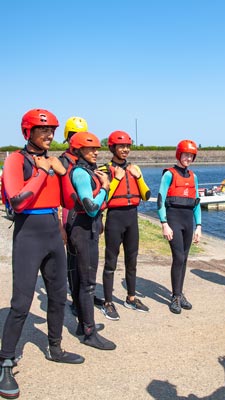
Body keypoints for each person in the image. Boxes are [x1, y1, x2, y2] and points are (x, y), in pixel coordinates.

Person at [0, 109, 84, 400]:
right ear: (28, 132)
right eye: (42, 130)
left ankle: (55, 347)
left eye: (51, 131)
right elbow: (18, 201)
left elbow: (69, 200)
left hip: (51, 232)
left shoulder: (54, 161)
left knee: (59, 296)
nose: (49, 135)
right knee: (21, 303)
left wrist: (73, 175)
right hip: (28, 234)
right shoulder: (15, 160)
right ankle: (6, 361)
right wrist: (43, 171)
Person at [67, 131, 116, 350]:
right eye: (90, 149)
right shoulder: (81, 173)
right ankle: (89, 332)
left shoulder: (88, 170)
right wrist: (105, 186)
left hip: (88, 229)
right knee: (87, 283)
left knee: (83, 280)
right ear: (78, 150)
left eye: (97, 148)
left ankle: (83, 324)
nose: (96, 152)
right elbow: (90, 206)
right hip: (84, 230)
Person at [100, 131, 151, 321]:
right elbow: (104, 198)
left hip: (132, 218)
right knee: (110, 262)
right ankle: (107, 303)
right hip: (114, 218)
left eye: (128, 146)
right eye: (121, 146)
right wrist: (117, 179)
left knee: (132, 261)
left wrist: (137, 177)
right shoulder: (105, 169)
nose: (125, 150)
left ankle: (131, 298)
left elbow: (145, 195)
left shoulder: (134, 168)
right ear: (112, 148)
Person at [59, 116, 103, 318]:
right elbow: (58, 196)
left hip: (87, 217)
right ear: (69, 138)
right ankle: (77, 301)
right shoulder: (63, 162)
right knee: (73, 262)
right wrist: (60, 224)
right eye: (74, 135)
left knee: (85, 267)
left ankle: (84, 298)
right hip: (71, 214)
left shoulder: (87, 164)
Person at [157, 139, 202, 314]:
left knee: (184, 258)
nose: (188, 158)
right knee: (178, 258)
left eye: (191, 156)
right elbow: (161, 199)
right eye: (185, 155)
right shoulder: (169, 174)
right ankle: (175, 296)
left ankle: (179, 293)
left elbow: (197, 202)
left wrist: (198, 225)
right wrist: (164, 224)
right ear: (179, 154)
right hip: (173, 220)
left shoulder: (194, 177)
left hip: (188, 221)